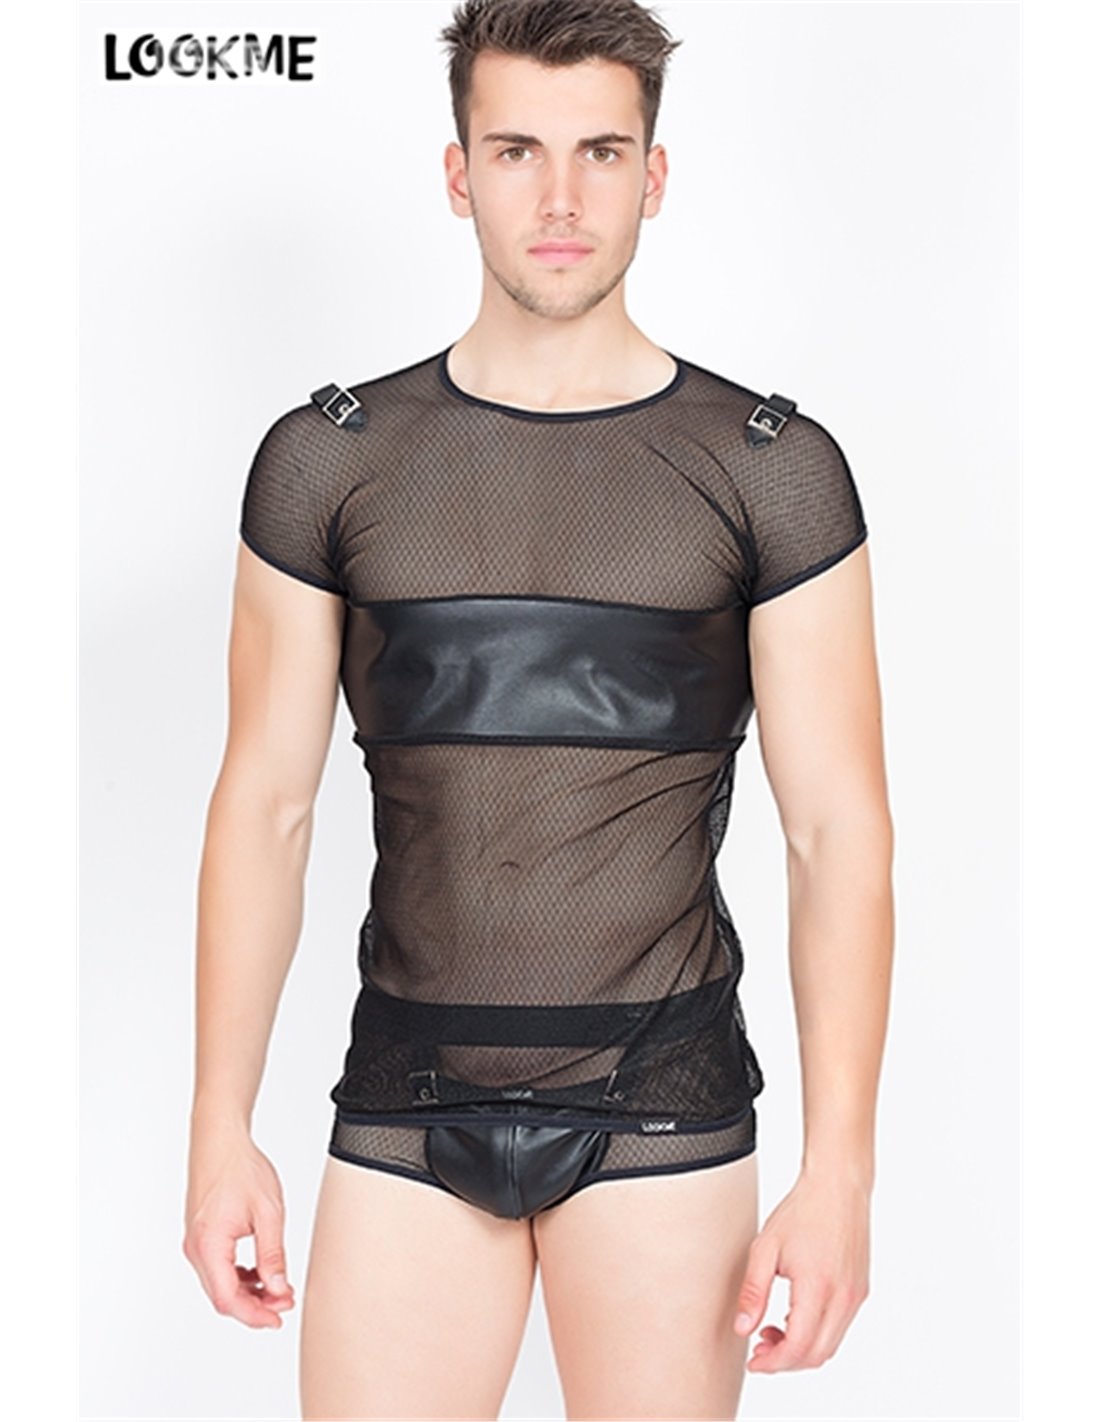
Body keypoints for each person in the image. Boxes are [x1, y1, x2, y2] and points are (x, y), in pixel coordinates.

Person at [182, 1, 895, 1417]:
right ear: (459, 175)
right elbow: (264, 805)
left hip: (664, 1106)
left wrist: (842, 1178)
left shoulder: (772, 470)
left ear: (654, 174)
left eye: (600, 153)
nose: (560, 198)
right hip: (408, 1096)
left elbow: (838, 833)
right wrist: (218, 1125)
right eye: (517, 151)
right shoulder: (329, 464)